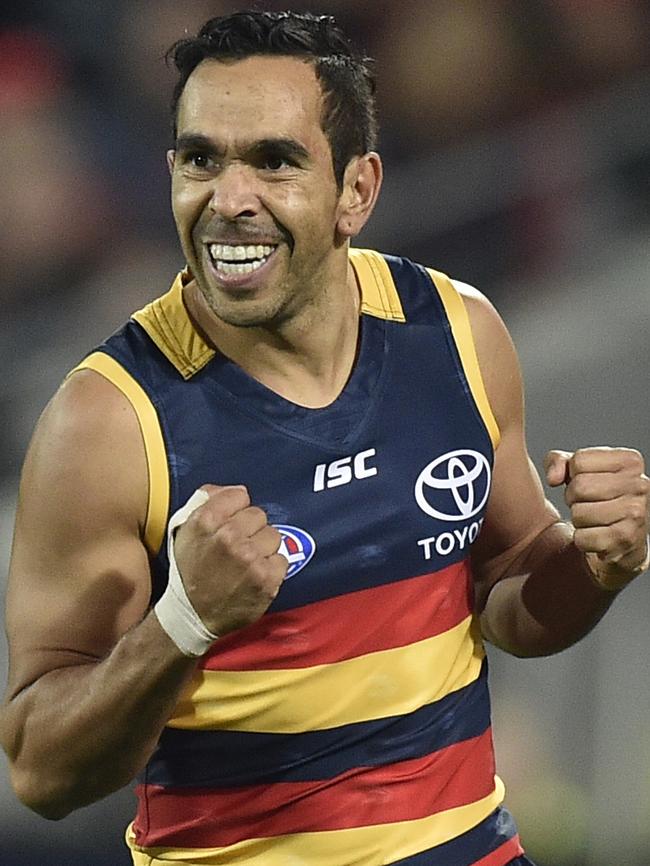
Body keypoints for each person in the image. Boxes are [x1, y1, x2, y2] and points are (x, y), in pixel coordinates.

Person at [1, 10, 648, 866]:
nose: (230, 200)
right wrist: (183, 623)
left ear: (358, 190)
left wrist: (595, 562)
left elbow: (509, 593)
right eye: (201, 159)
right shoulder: (108, 423)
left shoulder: (457, 333)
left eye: (274, 160)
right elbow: (42, 772)